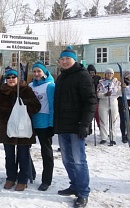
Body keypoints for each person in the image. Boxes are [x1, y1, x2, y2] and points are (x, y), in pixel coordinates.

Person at [54, 46, 97, 208]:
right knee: (66, 159)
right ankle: (75, 185)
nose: (64, 62)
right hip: (63, 126)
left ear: (74, 60)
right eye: (62, 59)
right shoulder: (62, 77)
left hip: (77, 126)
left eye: (67, 59)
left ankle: (83, 193)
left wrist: (84, 124)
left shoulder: (82, 75)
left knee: (79, 161)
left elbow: (91, 101)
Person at [0, 68, 41, 192]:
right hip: (7, 127)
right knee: (9, 155)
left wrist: (22, 103)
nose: (11, 79)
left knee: (23, 154)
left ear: (18, 79)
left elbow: (36, 106)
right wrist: (11, 113)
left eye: (13, 77)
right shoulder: (2, 91)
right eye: (8, 77)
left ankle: (23, 179)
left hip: (23, 127)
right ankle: (11, 178)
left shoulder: (26, 90)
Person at [29, 61, 55, 191]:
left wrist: (51, 124)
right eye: (34, 71)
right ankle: (29, 172)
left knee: (46, 152)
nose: (36, 73)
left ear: (44, 72)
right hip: (30, 121)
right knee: (24, 148)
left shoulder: (50, 85)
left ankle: (46, 180)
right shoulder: (30, 85)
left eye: (39, 71)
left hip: (44, 123)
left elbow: (52, 106)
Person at [97, 68, 121, 145]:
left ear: (113, 74)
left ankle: (113, 137)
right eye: (107, 73)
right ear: (105, 75)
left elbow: (119, 93)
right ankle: (103, 137)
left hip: (113, 102)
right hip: (104, 102)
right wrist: (104, 95)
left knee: (113, 121)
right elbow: (98, 94)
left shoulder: (117, 83)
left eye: (110, 73)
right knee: (103, 120)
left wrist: (122, 88)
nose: (109, 75)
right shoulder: (101, 83)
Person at [87, 64, 101, 133]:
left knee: (98, 116)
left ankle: (102, 129)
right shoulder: (85, 79)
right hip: (88, 100)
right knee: (88, 116)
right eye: (90, 72)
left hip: (96, 100)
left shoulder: (98, 78)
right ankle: (89, 129)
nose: (92, 74)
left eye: (93, 72)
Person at [118, 70, 130, 143]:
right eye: (127, 76)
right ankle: (124, 135)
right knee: (123, 120)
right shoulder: (121, 83)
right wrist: (122, 88)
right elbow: (118, 93)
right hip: (123, 102)